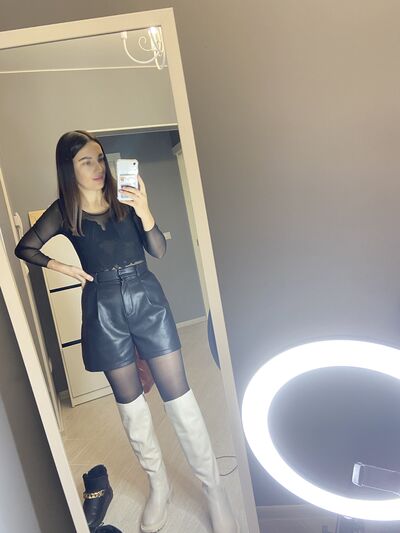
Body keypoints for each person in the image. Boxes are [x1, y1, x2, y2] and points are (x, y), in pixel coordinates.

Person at [14, 130, 238, 533]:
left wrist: (145, 209)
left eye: (100, 158)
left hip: (146, 297)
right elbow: (25, 247)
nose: (98, 167)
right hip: (102, 307)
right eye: (86, 161)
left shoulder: (126, 200)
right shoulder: (64, 212)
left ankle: (213, 489)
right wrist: (65, 268)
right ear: (69, 168)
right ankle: (159, 485)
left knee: (180, 398)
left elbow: (158, 250)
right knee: (131, 406)